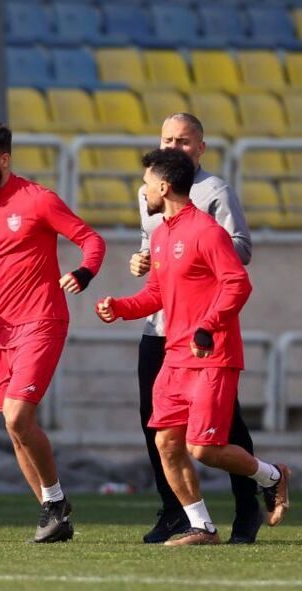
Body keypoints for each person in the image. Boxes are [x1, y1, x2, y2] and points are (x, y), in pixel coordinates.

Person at [97, 149, 289, 546]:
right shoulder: (161, 233)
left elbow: (238, 283)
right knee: (167, 442)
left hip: (212, 355)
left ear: (163, 187)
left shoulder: (206, 231)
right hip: (175, 356)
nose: (143, 189)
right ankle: (201, 526)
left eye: (147, 182)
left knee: (203, 447)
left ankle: (272, 475)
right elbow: (155, 294)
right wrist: (119, 307)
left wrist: (208, 327)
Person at [0, 122, 106, 543]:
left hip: (43, 320)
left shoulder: (38, 200)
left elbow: (90, 240)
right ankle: (54, 512)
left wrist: (84, 273)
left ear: (4, 160)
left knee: (18, 415)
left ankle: (54, 501)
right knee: (14, 427)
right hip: (2, 330)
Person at [128, 113, 261, 544]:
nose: (173, 147)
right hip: (161, 326)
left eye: (183, 141)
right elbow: (153, 248)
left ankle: (249, 507)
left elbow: (239, 250)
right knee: (158, 425)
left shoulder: (211, 192)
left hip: (204, 329)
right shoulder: (151, 190)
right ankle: (178, 513)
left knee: (223, 430)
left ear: (200, 147)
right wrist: (143, 260)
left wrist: (198, 253)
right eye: (167, 138)